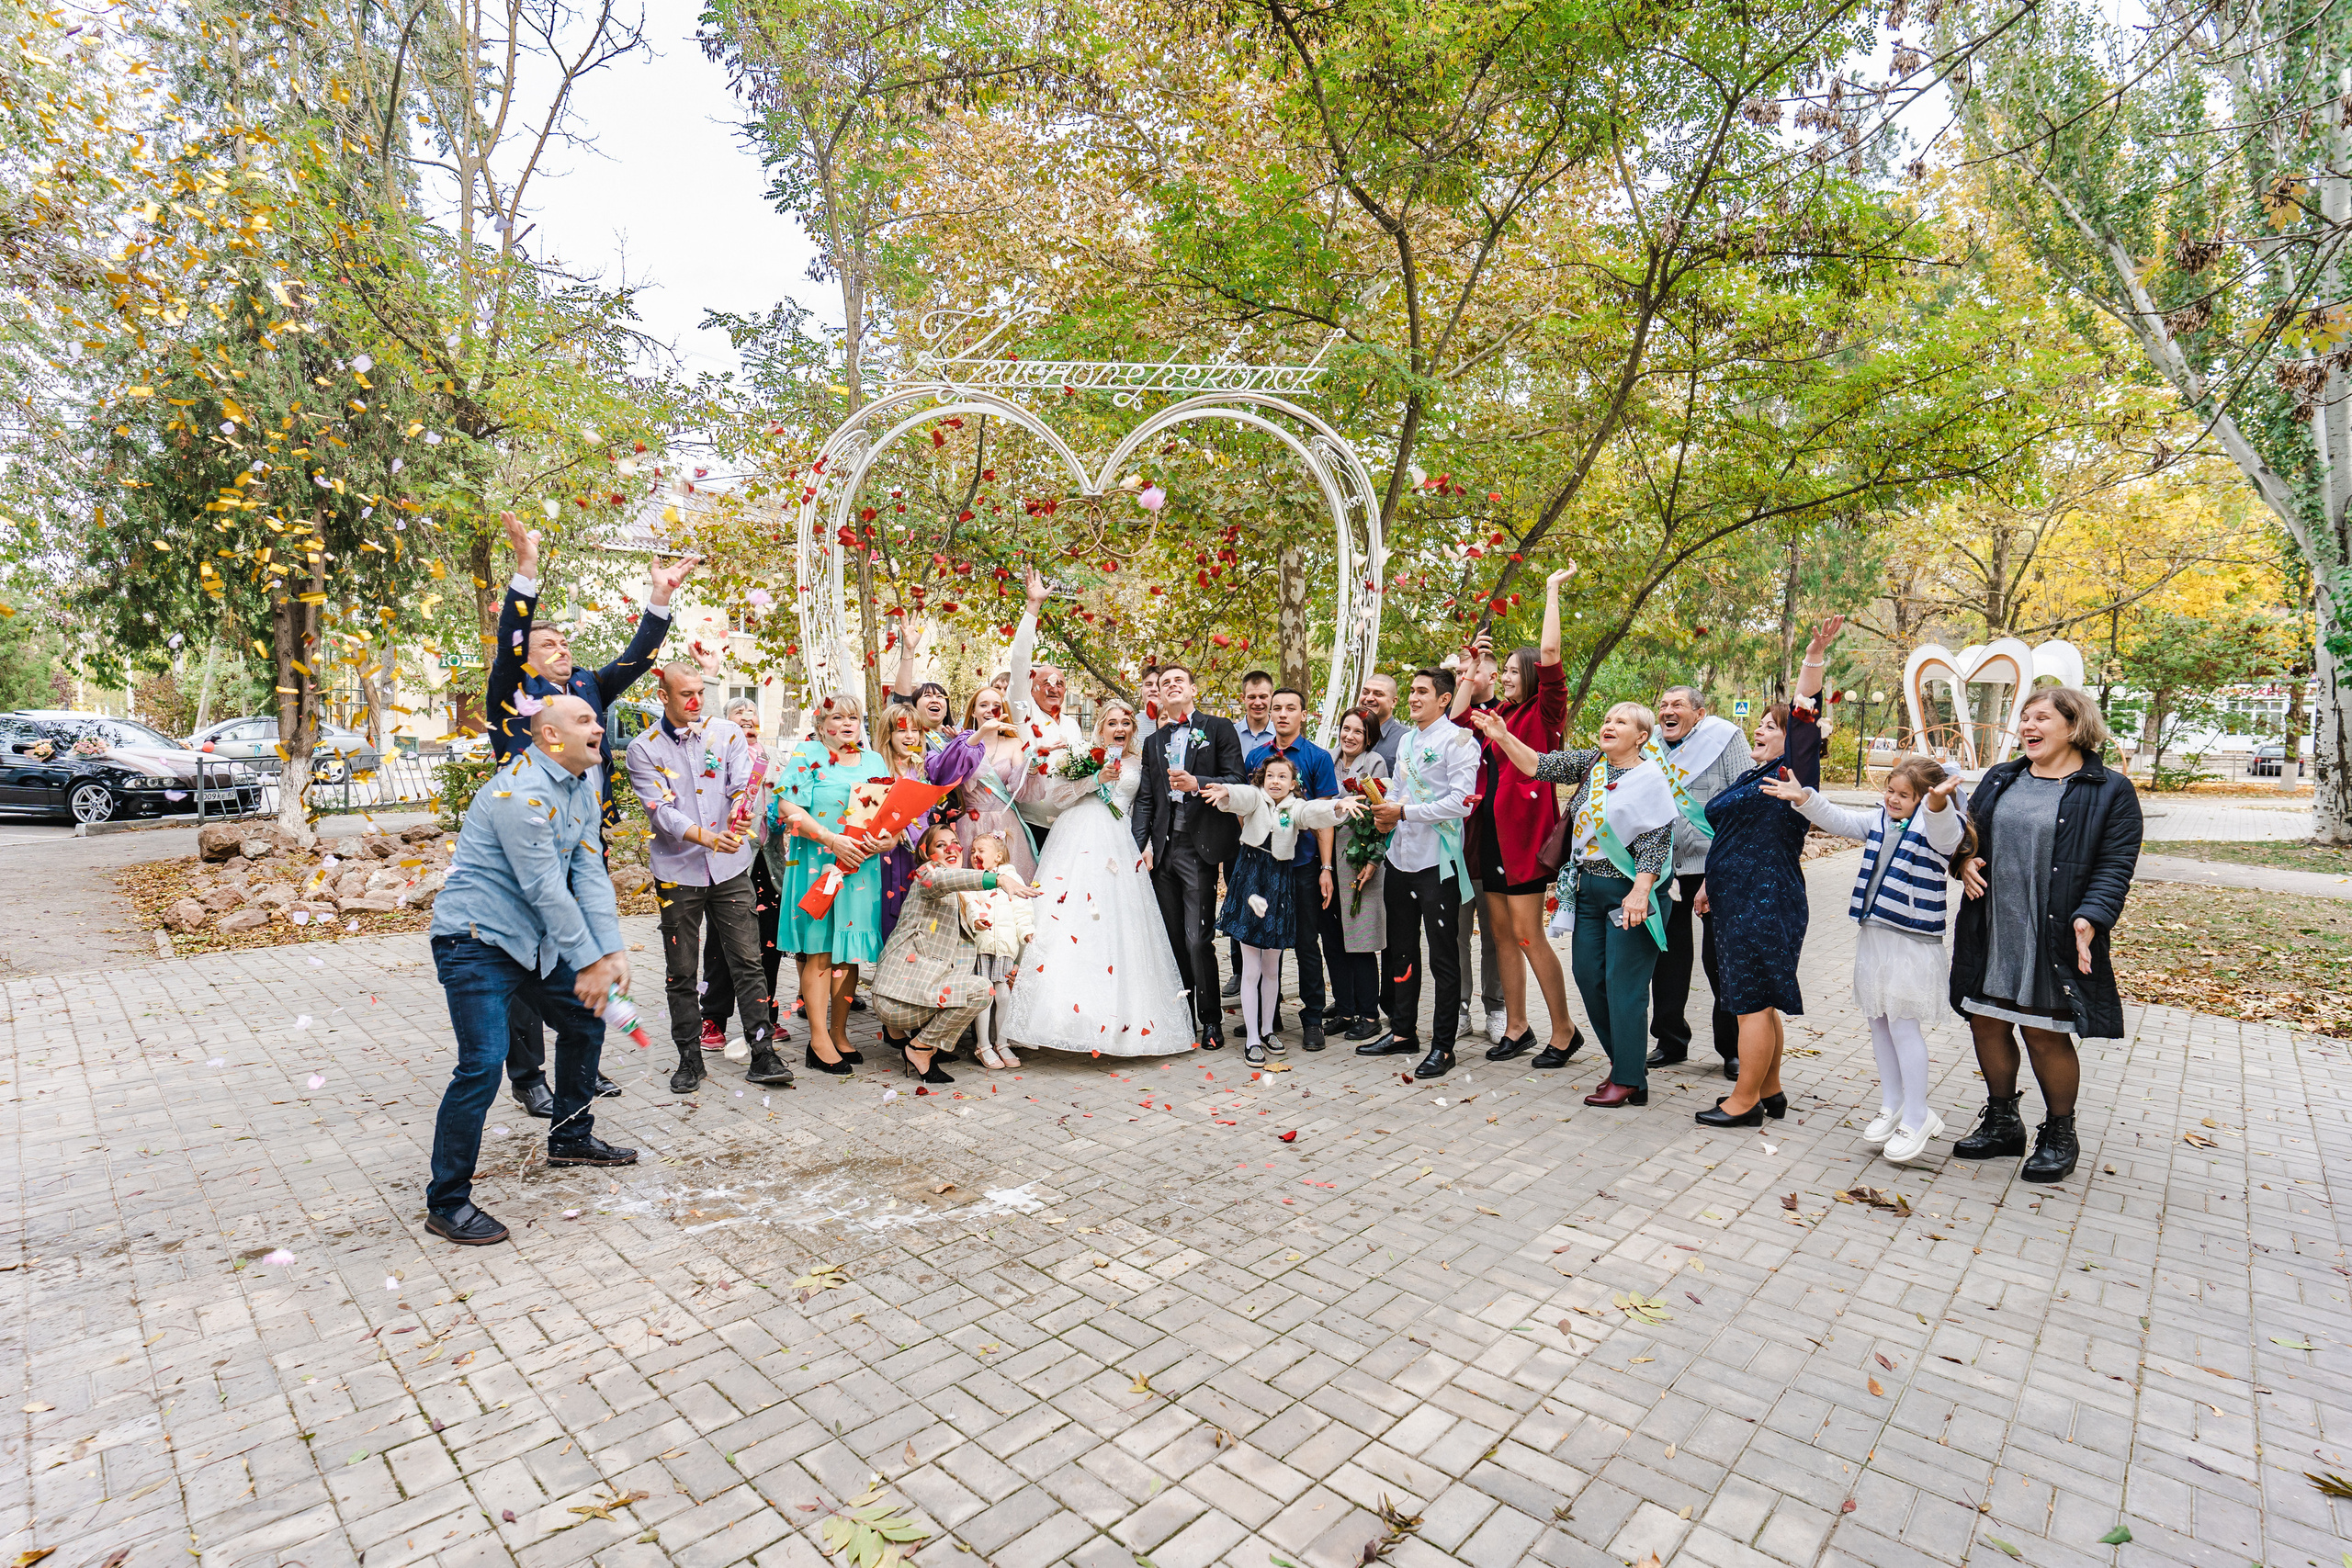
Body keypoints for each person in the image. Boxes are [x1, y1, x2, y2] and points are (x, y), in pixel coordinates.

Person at [484, 510, 697, 1118]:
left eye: (564, 643)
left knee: (585, 954)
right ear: (524, 657)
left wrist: (659, 598)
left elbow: (636, 657)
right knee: (526, 965)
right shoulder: (513, 695)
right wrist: (525, 571)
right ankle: (528, 1077)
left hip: (583, 852)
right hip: (524, 856)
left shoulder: (586, 688)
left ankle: (584, 1060)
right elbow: (509, 643)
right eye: (547, 644)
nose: (561, 650)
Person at [424, 695, 637, 1246]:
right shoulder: (519, 794)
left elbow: (588, 869)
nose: (599, 727)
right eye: (584, 721)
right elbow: (543, 887)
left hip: (534, 945)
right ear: (549, 737)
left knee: (586, 1021)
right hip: (476, 941)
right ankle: (446, 1202)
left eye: (596, 718)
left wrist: (610, 950)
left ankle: (569, 1137)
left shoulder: (583, 787)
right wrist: (587, 959)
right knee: (482, 1065)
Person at [1947, 687, 2143, 1183]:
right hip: (1993, 925)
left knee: (2043, 1031)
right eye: (2024, 719)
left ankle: (2060, 1133)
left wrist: (2092, 917)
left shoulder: (2110, 790)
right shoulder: (2002, 778)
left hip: (2054, 929)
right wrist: (1964, 860)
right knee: (1986, 1021)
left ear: (2074, 725)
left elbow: (2114, 866)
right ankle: (2003, 1122)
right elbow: (1966, 835)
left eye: (2040, 718)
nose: (2027, 727)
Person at [1761, 757, 1970, 1157]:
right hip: (1875, 936)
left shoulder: (1940, 826)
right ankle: (1892, 1105)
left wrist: (1938, 805)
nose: (1893, 799)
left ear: (1924, 797)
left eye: (1904, 795)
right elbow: (1839, 819)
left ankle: (1918, 1114)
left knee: (1904, 1027)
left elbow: (1947, 835)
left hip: (1912, 942)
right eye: (1890, 791)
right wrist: (1803, 797)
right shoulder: (1881, 821)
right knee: (1878, 1023)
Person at [1471, 702, 1670, 1099]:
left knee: (1623, 985)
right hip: (1587, 889)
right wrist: (1503, 737)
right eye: (1608, 719)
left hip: (1629, 892)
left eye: (1621, 722)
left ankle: (1629, 1079)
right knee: (1588, 976)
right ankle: (1624, 1064)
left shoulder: (1649, 777)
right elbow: (1537, 765)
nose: (1609, 725)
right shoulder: (1592, 763)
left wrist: (1640, 892)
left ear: (1642, 737)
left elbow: (1657, 839)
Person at [1690, 615, 1844, 1126]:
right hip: (1736, 896)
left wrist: (1813, 658)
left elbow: (1805, 709)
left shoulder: (1791, 774)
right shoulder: (1754, 773)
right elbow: (1730, 836)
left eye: (1771, 726)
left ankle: (1745, 1101)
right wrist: (1713, 882)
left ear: (1796, 743)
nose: (1759, 728)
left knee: (1750, 1000)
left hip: (1765, 897)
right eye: (1759, 722)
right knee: (1757, 997)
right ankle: (1771, 1090)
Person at [626, 661, 796, 1095]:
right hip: (678, 871)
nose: (696, 701)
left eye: (700, 691)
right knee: (681, 970)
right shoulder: (643, 748)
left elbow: (744, 781)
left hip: (730, 868)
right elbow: (660, 811)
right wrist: (705, 837)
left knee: (748, 960)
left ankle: (763, 1053)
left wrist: (742, 808)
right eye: (686, 694)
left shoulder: (727, 732)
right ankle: (689, 1059)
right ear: (663, 696)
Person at [1007, 697, 1196, 1055]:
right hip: (1075, 839)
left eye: (1126, 723)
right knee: (1068, 921)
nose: (1120, 729)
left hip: (1120, 843)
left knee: (1117, 928)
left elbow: (1151, 806)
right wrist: (1096, 777)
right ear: (1101, 727)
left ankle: (1121, 1023)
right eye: (1112, 723)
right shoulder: (1081, 755)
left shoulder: (1141, 762)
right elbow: (1059, 798)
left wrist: (1150, 846)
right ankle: (1059, 1018)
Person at [1459, 570, 1577, 1062]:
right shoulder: (1497, 716)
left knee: (1529, 935)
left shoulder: (1545, 711)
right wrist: (1469, 669)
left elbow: (1551, 656)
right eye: (1499, 670)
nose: (1502, 677)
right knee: (1502, 935)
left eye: (1509, 671)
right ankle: (1517, 1026)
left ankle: (1565, 1031)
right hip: (1488, 836)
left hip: (1525, 838)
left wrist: (1551, 591)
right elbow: (1456, 719)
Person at [1354, 669, 1477, 1078]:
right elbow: (1398, 792)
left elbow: (1462, 802)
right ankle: (1403, 1031)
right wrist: (1386, 812)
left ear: (1444, 700)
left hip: (1436, 862)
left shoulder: (1460, 740)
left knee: (1443, 956)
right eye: (1411, 691)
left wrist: (1404, 811)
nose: (1413, 697)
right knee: (1400, 949)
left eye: (1422, 691)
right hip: (1401, 858)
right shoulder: (1407, 740)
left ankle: (1444, 1046)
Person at [1203, 757, 1358, 1066]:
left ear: (1292, 783)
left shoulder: (1294, 807)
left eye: (1282, 777)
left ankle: (1267, 1029)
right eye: (1270, 776)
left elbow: (1313, 812)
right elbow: (1242, 797)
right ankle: (1251, 1039)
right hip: (1251, 880)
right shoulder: (1255, 799)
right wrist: (1227, 793)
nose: (1275, 781)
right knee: (1251, 968)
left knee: (1273, 966)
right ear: (1262, 780)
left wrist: (1337, 807)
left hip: (1280, 883)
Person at [768, 694, 890, 1076]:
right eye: (838, 717)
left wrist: (883, 839)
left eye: (854, 717)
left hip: (860, 868)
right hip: (818, 865)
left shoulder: (873, 761)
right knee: (820, 949)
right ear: (822, 726)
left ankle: (840, 1033)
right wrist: (829, 838)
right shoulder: (808, 755)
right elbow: (786, 808)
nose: (849, 723)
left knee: (846, 953)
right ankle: (818, 1039)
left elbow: (883, 813)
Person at [1133, 665, 1248, 1048]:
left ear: (1192, 689)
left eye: (1178, 681)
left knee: (1198, 940)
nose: (1172, 686)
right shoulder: (1153, 742)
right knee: (1173, 940)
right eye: (1165, 684)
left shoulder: (1219, 728)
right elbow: (1147, 799)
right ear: (1159, 696)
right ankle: (1183, 1020)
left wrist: (1199, 783)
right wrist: (1141, 846)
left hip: (1198, 848)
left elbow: (1238, 781)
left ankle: (1211, 1020)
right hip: (1163, 850)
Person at [874, 825, 1041, 1082]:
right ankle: (919, 1048)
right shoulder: (926, 875)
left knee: (983, 987)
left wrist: (1015, 963)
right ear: (925, 853)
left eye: (955, 842)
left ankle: (926, 1047)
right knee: (981, 989)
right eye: (941, 845)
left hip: (921, 994)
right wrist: (997, 878)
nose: (952, 848)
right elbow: (943, 880)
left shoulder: (961, 895)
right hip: (897, 997)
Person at [1645, 686, 1748, 1078]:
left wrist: (1730, 861)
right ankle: (1670, 1041)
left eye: (1677, 706)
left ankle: (1733, 1049)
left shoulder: (1724, 737)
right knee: (1667, 957)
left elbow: (1743, 798)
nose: (1667, 712)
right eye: (1663, 705)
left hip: (1713, 863)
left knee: (1719, 958)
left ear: (1700, 713)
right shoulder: (1650, 743)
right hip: (1663, 865)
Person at [1240, 687, 1340, 1051]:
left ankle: (1313, 1020)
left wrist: (1326, 867)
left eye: (1290, 708)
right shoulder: (1256, 757)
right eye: (1277, 707)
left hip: (1302, 866)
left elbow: (1325, 817)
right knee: (1265, 941)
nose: (1281, 714)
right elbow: (1246, 810)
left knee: (1304, 943)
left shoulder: (1318, 757)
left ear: (1303, 714)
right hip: (1263, 870)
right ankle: (1269, 1020)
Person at [699, 697, 790, 1055]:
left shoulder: (773, 759)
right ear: (726, 722)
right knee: (722, 942)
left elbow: (784, 801)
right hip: (731, 861)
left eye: (753, 713)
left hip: (768, 863)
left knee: (767, 941)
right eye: (739, 714)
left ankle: (765, 1014)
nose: (748, 719)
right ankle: (713, 1018)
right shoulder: (716, 754)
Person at [872, 700, 982, 942]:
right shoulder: (875, 767)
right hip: (888, 853)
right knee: (892, 917)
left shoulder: (928, 764)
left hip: (921, 852)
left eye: (915, 730)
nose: (910, 736)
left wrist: (976, 736)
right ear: (888, 734)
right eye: (902, 730)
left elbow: (952, 766)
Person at [1325, 706, 1391, 1044]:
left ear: (1368, 737)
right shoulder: (1327, 759)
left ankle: (1369, 1015)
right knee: (1334, 939)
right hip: (1327, 859)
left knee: (1361, 940)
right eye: (1346, 729)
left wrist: (1374, 860)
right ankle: (1345, 1008)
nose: (1349, 736)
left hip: (1360, 860)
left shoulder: (1375, 764)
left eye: (1358, 732)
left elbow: (1380, 814)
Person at [1009, 570, 1084, 853]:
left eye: (1060, 684)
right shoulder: (1021, 711)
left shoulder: (1073, 726)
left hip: (1069, 827)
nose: (1054, 688)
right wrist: (1033, 608)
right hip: (1030, 827)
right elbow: (1018, 664)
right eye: (1046, 682)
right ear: (1031, 686)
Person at [960, 834, 1033, 1068]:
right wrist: (975, 921)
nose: (975, 855)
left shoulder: (1012, 878)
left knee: (1003, 995)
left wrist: (1027, 931)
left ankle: (1002, 1043)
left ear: (998, 856)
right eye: (972, 851)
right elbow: (969, 904)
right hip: (982, 947)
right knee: (985, 996)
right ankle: (983, 1045)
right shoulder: (973, 878)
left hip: (1004, 947)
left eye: (981, 850)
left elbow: (1022, 909)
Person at [959, 683, 1038, 879]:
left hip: (1006, 824)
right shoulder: (962, 743)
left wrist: (1034, 768)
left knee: (1011, 882)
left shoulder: (1014, 744)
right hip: (971, 824)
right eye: (983, 705)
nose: (990, 710)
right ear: (974, 711)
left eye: (996, 705)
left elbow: (1020, 789)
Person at [1359, 671, 1408, 766]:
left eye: (1378, 694)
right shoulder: (1348, 732)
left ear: (1393, 702)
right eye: (1365, 692)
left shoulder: (1405, 739)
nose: (1369, 698)